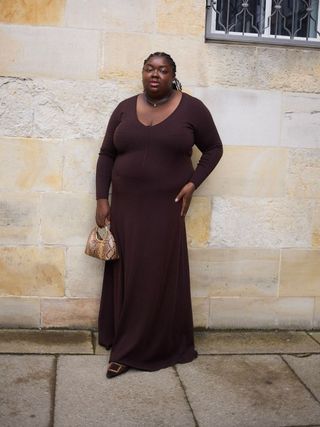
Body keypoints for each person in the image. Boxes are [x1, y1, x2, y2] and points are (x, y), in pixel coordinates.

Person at [95, 52, 223, 379]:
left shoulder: (192, 108)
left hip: (165, 209)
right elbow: (107, 153)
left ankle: (133, 350)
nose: (155, 75)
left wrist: (193, 183)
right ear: (142, 72)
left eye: (163, 70)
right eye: (149, 69)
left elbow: (214, 149)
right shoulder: (124, 108)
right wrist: (101, 198)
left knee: (153, 276)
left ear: (172, 75)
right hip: (124, 209)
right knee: (127, 272)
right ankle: (122, 338)